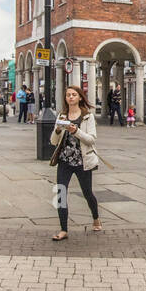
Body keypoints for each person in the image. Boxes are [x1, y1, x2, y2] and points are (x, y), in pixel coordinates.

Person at [50, 85, 101, 241]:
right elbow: (53, 141)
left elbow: (91, 139)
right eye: (68, 95)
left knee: (87, 193)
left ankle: (96, 217)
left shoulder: (87, 117)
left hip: (82, 161)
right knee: (60, 193)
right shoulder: (62, 115)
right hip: (64, 161)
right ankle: (63, 229)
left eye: (73, 94)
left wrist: (76, 131)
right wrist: (58, 130)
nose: (71, 97)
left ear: (79, 97)